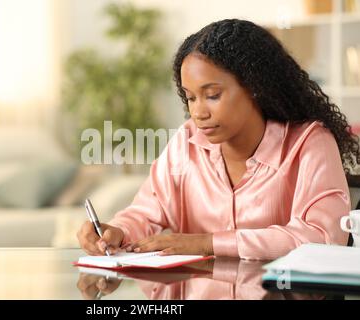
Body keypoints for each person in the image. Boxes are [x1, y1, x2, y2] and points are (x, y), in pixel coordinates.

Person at [77, 19, 359, 260]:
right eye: (190, 97)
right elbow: (146, 212)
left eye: (212, 95)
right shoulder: (186, 141)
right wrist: (117, 231)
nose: (198, 112)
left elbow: (324, 238)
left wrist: (207, 242)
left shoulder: (309, 144)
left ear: (255, 88)